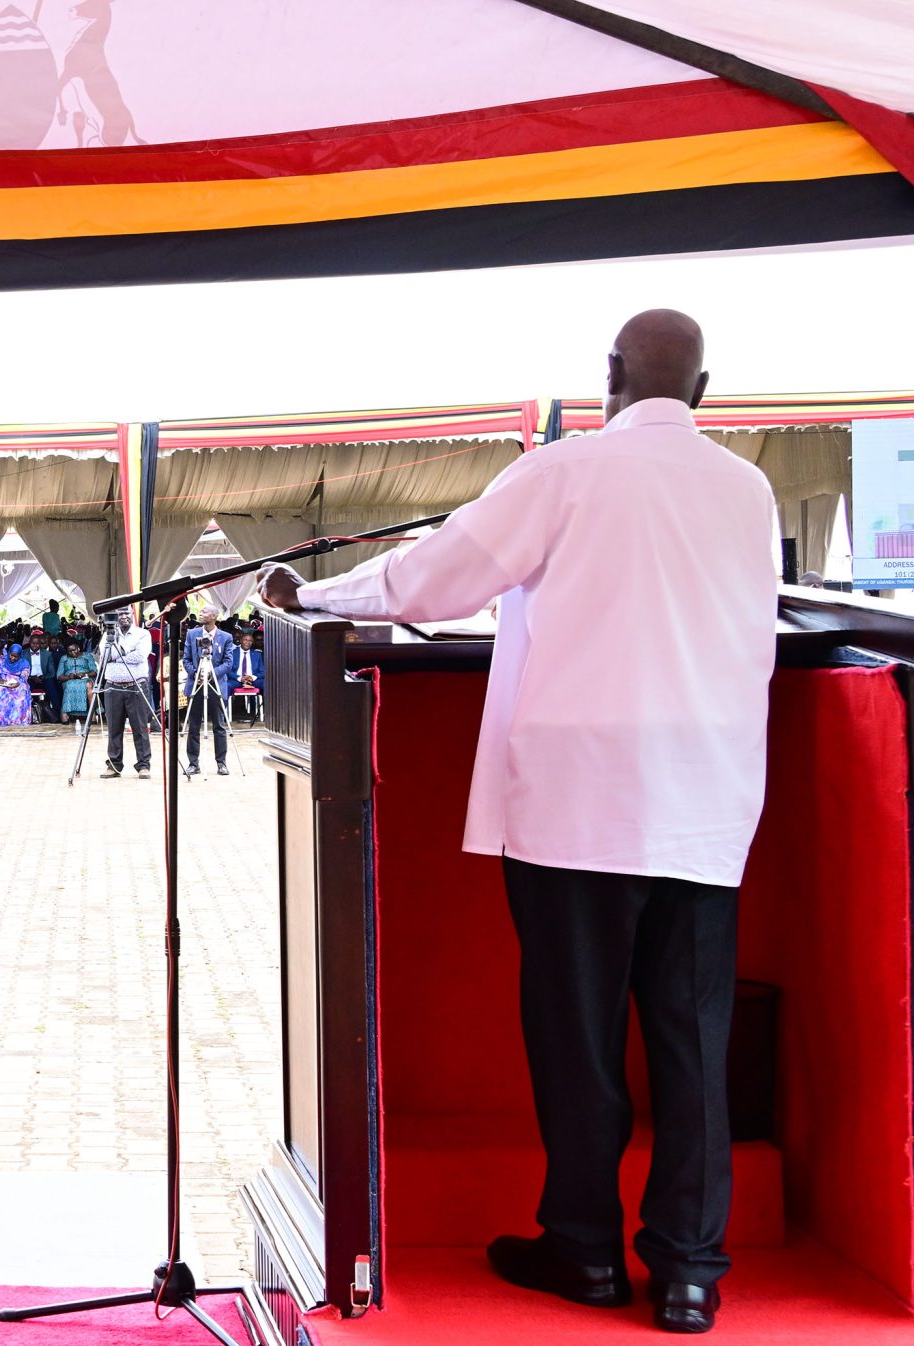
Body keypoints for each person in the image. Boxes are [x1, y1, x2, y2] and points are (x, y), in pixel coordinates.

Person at [260, 310, 773, 1336]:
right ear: (704, 389)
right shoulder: (747, 486)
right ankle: (687, 1272)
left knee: (578, 1038)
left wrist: (307, 589)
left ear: (610, 375)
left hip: (580, 795)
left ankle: (583, 1250)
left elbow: (433, 582)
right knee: (691, 1037)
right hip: (707, 792)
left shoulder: (564, 472)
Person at [98, 612, 155, 779]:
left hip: (136, 685)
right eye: (120, 614)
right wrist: (124, 653)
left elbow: (140, 656)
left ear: (132, 614)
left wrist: (116, 656)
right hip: (113, 687)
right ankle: (114, 765)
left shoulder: (142, 634)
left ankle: (143, 765)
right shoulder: (108, 635)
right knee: (114, 728)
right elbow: (105, 657)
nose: (124, 616)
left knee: (140, 727)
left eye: (127, 613)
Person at [180, 610, 233, 776]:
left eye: (205, 612)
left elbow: (228, 663)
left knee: (219, 725)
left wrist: (211, 674)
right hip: (196, 684)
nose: (201, 613)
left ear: (214, 617)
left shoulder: (226, 637)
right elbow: (186, 659)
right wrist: (196, 674)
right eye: (201, 611)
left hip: (216, 685)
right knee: (194, 725)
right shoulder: (192, 634)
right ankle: (193, 763)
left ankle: (221, 763)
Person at [0, 643, 31, 727]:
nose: (12, 658)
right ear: (9, 652)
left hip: (17, 683)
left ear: (20, 655)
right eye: (11, 655)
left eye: (15, 656)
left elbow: (24, 676)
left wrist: (17, 683)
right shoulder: (1, 660)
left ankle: (16, 720)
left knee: (22, 690)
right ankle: (0, 720)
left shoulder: (25, 663)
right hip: (3, 682)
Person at [227, 631, 265, 724]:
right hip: (237, 680)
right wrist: (240, 678)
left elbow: (263, 671)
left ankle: (267, 712)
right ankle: (224, 713)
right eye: (245, 640)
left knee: (266, 684)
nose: (248, 642)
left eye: (250, 641)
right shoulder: (232, 653)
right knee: (226, 685)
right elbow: (227, 670)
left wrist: (252, 677)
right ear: (240, 640)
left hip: (253, 680)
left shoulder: (257, 654)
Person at [57, 638, 93, 722]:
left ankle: (92, 713)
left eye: (74, 650)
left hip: (86, 678)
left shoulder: (87, 656)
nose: (72, 653)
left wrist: (85, 674)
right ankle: (65, 714)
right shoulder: (64, 658)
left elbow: (94, 672)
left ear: (78, 648)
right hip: (69, 679)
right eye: (69, 651)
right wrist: (69, 677)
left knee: (88, 685)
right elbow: (59, 676)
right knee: (70, 685)